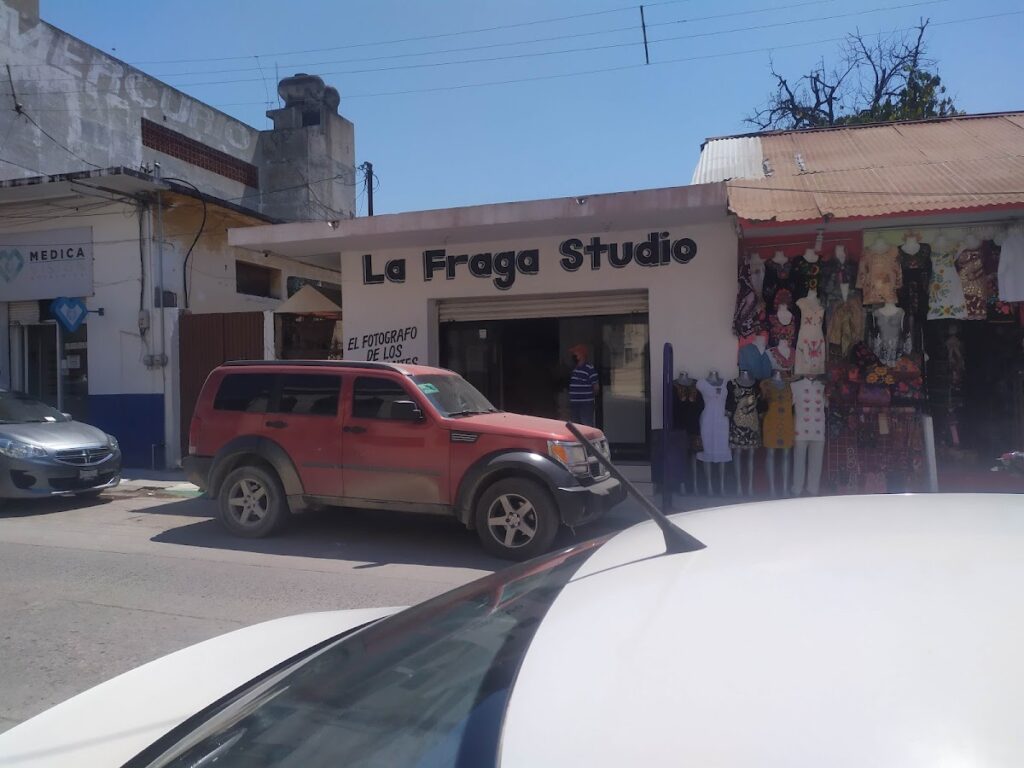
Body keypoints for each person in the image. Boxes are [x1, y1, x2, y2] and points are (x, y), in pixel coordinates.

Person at [567, 344, 599, 426]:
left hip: (585, 404)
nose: (574, 356)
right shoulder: (575, 369)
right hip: (574, 403)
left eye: (575, 353)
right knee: (576, 427)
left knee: (587, 426)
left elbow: (596, 387)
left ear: (581, 355)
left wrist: (588, 397)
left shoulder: (589, 369)